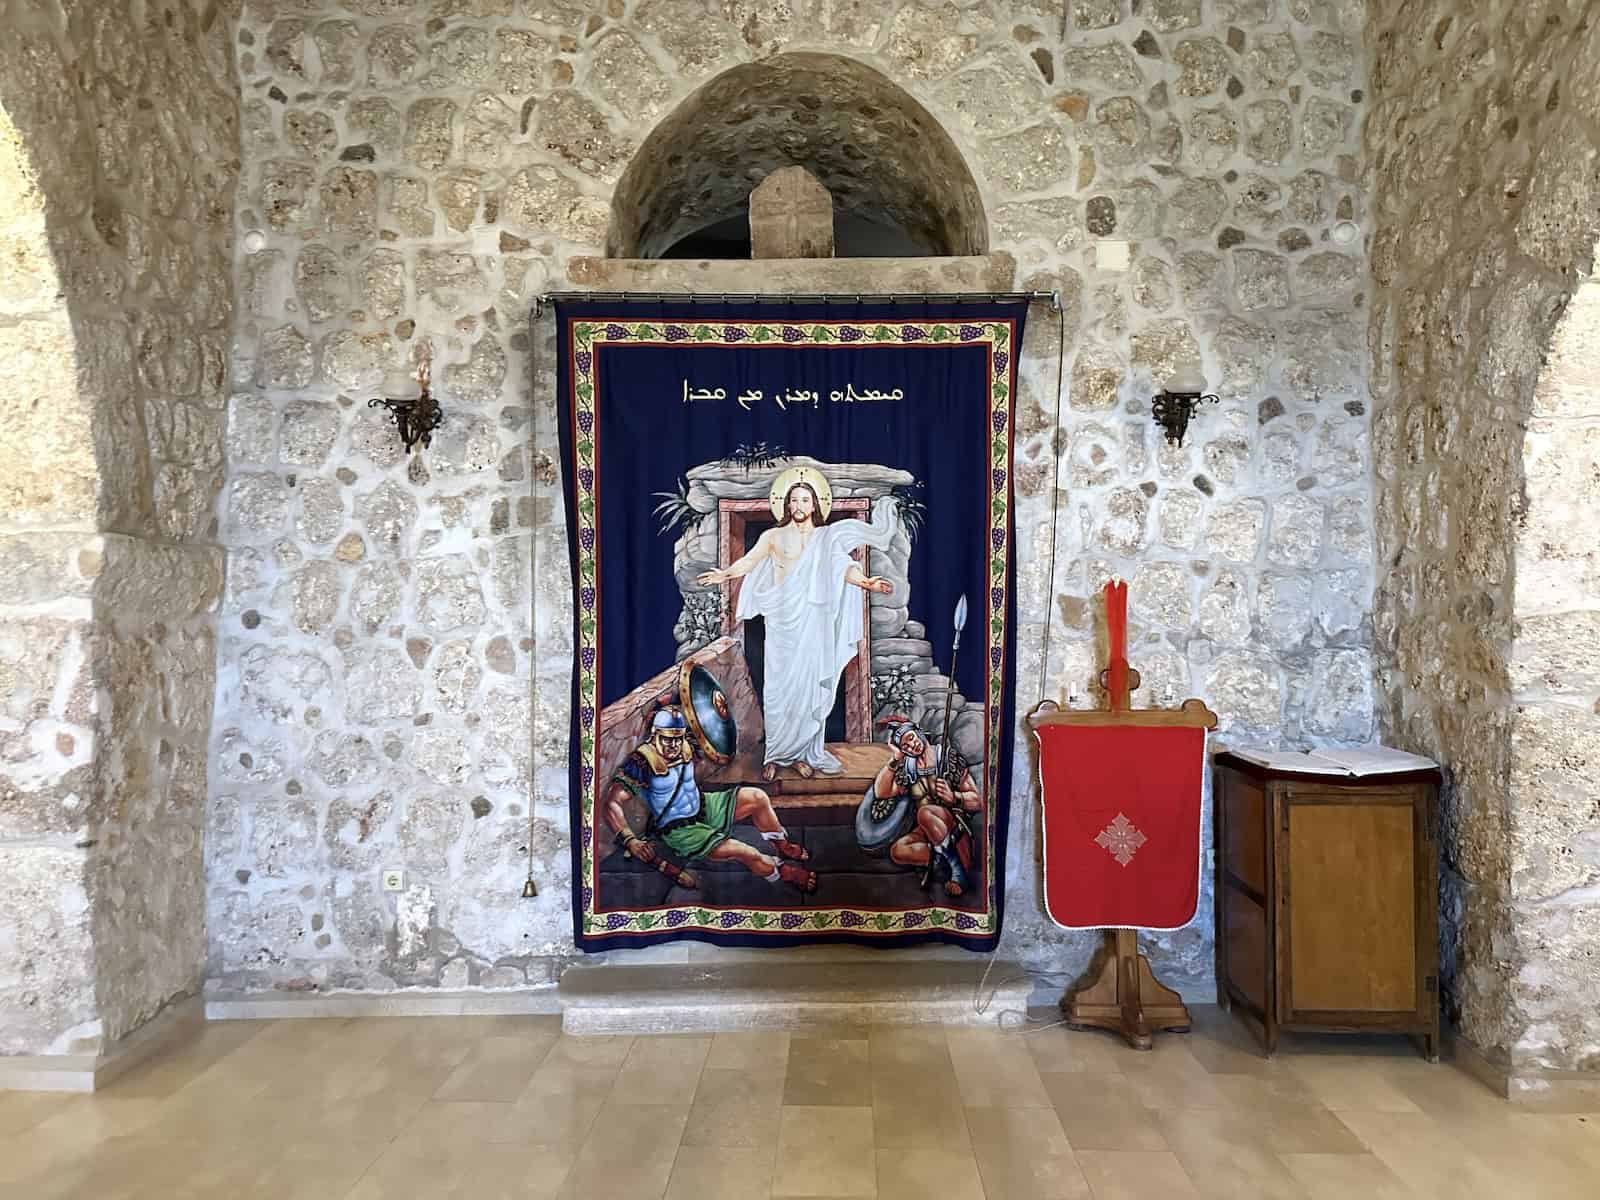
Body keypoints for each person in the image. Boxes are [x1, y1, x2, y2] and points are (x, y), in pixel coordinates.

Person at [697, 466, 898, 780]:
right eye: (795, 500)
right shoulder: (774, 536)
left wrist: (867, 582)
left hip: (813, 623)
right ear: (786, 505)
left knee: (808, 691)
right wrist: (724, 574)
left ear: (815, 505)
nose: (800, 506)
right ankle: (776, 755)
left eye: (806, 500)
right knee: (779, 691)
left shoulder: (824, 538)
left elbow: (843, 568)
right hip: (782, 624)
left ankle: (805, 753)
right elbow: (751, 561)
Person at [602, 707, 817, 893]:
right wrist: (631, 840)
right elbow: (612, 803)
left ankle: (782, 845)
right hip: (680, 831)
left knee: (758, 797)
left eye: (677, 738)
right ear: (654, 735)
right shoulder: (642, 762)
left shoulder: (686, 743)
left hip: (704, 806)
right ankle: (780, 872)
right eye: (667, 739)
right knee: (746, 851)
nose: (673, 745)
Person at [871, 716, 981, 896]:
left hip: (953, 827)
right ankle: (945, 858)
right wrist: (895, 759)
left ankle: (958, 871)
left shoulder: (947, 757)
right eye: (904, 746)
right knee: (898, 851)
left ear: (919, 732)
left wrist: (954, 796)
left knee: (925, 813)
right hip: (927, 831)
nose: (910, 746)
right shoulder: (909, 767)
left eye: (911, 738)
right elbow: (881, 792)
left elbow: (977, 801)